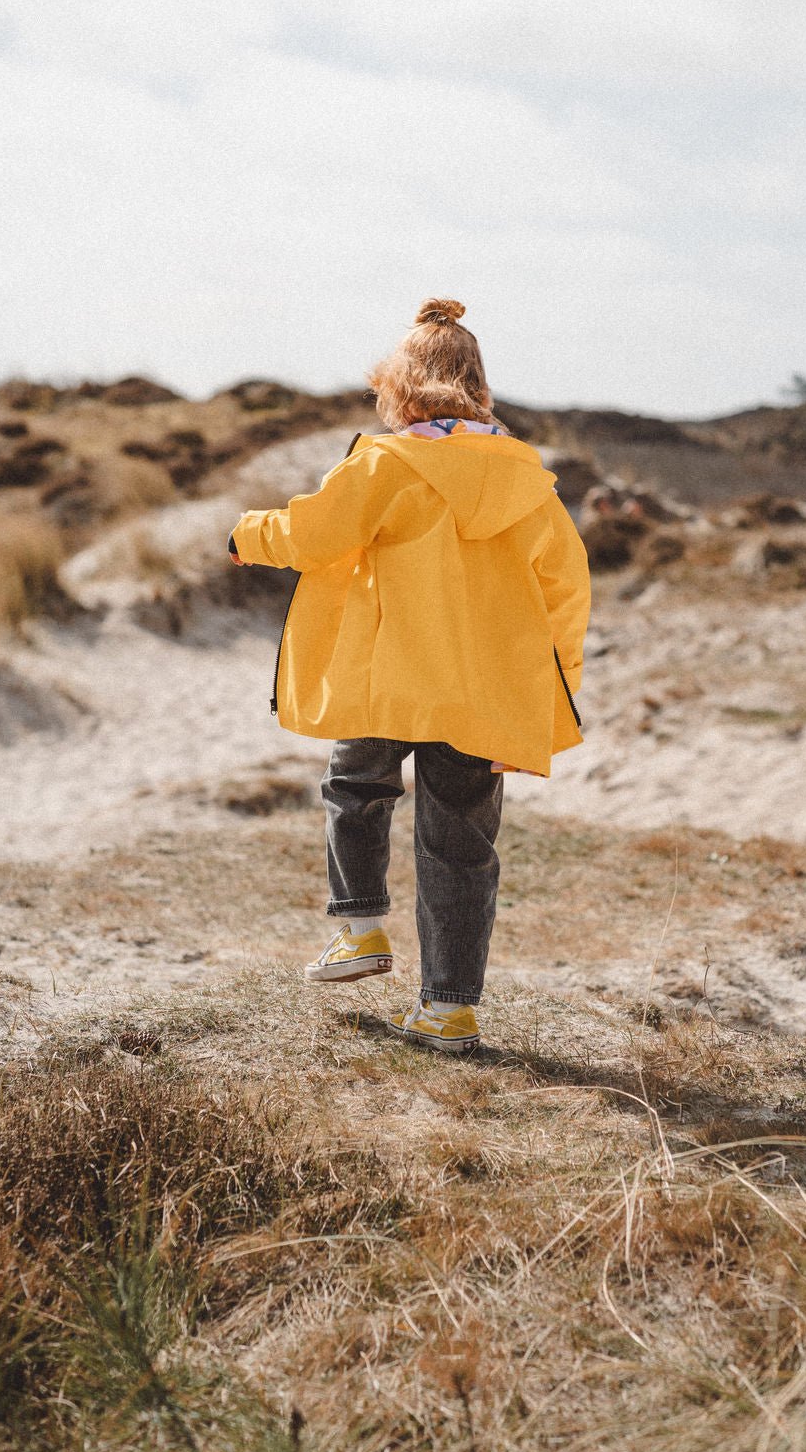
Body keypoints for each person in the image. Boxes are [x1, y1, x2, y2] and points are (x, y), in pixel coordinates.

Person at [228, 299, 591, 1052]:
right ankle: (449, 1009)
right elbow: (566, 598)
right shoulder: (529, 485)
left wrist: (246, 534)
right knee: (460, 844)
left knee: (356, 789)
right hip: (483, 695)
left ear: (397, 391)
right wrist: (547, 706)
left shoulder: (385, 465)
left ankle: (360, 930)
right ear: (478, 389)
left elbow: (314, 533)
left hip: (385, 678)